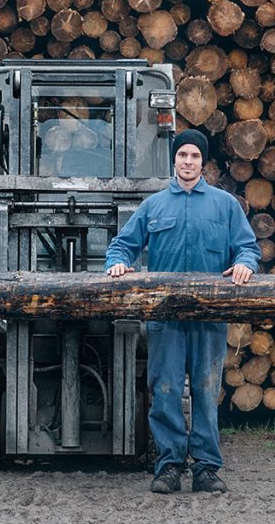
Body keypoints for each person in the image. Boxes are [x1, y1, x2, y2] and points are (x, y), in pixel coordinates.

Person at [104, 129, 261, 494]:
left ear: (203, 163)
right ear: (173, 160)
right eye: (182, 156)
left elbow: (248, 248)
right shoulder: (154, 206)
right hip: (165, 319)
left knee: (206, 390)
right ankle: (170, 465)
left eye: (194, 156)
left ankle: (206, 468)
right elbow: (122, 246)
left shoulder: (224, 205)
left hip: (209, 317)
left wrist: (245, 265)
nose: (188, 162)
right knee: (166, 389)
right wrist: (117, 264)